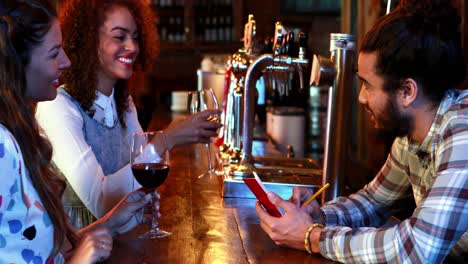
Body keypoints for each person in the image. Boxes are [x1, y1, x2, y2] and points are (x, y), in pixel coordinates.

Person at [255, 0, 467, 263]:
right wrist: (315, 216)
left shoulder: (462, 132)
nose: (361, 97)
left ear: (407, 92)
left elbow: (416, 250)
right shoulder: (411, 136)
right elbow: (372, 202)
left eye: (367, 85)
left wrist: (311, 237)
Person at [35, 0, 221, 228]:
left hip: (117, 246)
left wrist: (140, 211)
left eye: (135, 37)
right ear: (89, 41)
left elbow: (139, 177)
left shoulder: (123, 102)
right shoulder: (57, 106)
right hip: (76, 253)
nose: (132, 47)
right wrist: (167, 139)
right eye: (119, 37)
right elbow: (102, 201)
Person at [0, 0, 158, 263]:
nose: (66, 61)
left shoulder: (20, 133)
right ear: (15, 63)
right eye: (53, 53)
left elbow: (46, 255)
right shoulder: (3, 146)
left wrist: (111, 222)